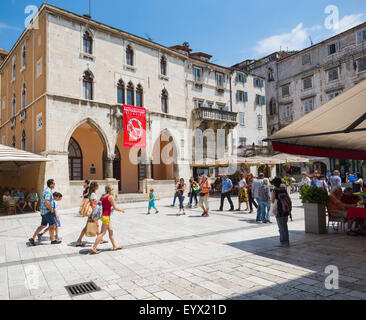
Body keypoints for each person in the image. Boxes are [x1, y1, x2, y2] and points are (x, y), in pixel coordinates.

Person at [91, 186, 126, 255]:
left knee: (110, 230)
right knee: (103, 233)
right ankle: (94, 248)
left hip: (104, 216)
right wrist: (121, 210)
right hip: (106, 216)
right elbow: (115, 207)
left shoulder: (103, 196)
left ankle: (114, 246)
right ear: (111, 190)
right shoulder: (110, 197)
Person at [28, 179, 61, 246]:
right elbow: (47, 201)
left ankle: (33, 238)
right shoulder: (49, 191)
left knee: (43, 225)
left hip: (43, 211)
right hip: (48, 211)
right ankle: (53, 240)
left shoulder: (45, 190)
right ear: (51, 184)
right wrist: (51, 210)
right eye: (54, 184)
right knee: (52, 225)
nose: (54, 185)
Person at [76, 181, 107, 247]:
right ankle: (79, 240)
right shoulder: (93, 194)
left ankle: (100, 239)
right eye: (97, 185)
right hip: (93, 213)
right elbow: (92, 204)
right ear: (95, 186)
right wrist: (95, 213)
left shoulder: (92, 193)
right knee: (91, 226)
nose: (98, 186)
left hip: (93, 213)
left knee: (95, 225)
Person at [271, 177, 292, 247]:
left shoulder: (274, 191)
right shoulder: (284, 189)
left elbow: (272, 201)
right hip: (286, 210)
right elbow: (288, 198)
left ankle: (284, 242)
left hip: (279, 210)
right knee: (285, 225)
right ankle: (286, 241)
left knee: (281, 227)